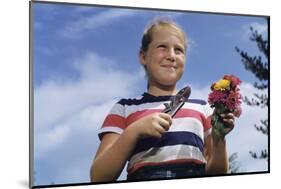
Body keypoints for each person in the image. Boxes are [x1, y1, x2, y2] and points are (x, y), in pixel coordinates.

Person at [90, 19, 235, 182]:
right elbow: (98, 176)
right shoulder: (124, 108)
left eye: (179, 50)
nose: (172, 56)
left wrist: (219, 139)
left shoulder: (202, 108)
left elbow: (218, 174)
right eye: (162, 47)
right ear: (143, 56)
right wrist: (134, 131)